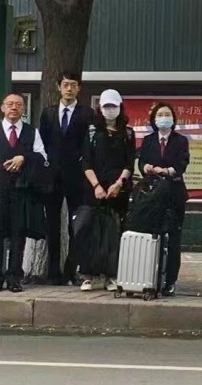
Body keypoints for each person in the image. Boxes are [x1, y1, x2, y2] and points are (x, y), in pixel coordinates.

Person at [0, 93, 48, 293]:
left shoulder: (31, 132)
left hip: (22, 190)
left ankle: (14, 277)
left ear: (24, 109)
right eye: (10, 104)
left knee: (18, 233)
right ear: (2, 108)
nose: (14, 107)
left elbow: (42, 156)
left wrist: (23, 158)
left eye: (18, 104)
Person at [38, 71, 95, 285]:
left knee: (76, 225)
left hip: (77, 177)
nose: (69, 89)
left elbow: (89, 147)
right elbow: (41, 144)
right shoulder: (48, 113)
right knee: (52, 225)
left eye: (73, 85)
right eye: (65, 84)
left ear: (79, 88)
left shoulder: (87, 114)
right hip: (52, 177)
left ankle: (72, 269)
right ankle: (53, 271)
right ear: (58, 87)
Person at [78, 89, 135, 292]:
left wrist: (119, 183)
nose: (110, 110)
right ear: (100, 108)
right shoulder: (92, 131)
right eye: (106, 107)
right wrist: (96, 186)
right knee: (89, 230)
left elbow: (130, 163)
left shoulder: (128, 133)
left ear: (120, 107)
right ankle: (87, 275)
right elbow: (86, 161)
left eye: (114, 106)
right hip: (94, 191)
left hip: (117, 191)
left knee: (113, 233)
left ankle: (111, 276)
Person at [137, 102, 189, 297]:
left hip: (174, 193)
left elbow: (183, 163)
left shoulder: (181, 140)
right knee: (152, 235)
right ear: (154, 119)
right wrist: (146, 167)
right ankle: (150, 277)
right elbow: (141, 161)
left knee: (173, 238)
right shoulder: (149, 140)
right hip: (152, 195)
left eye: (167, 114)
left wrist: (167, 171)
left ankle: (170, 281)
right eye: (160, 114)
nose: (164, 117)